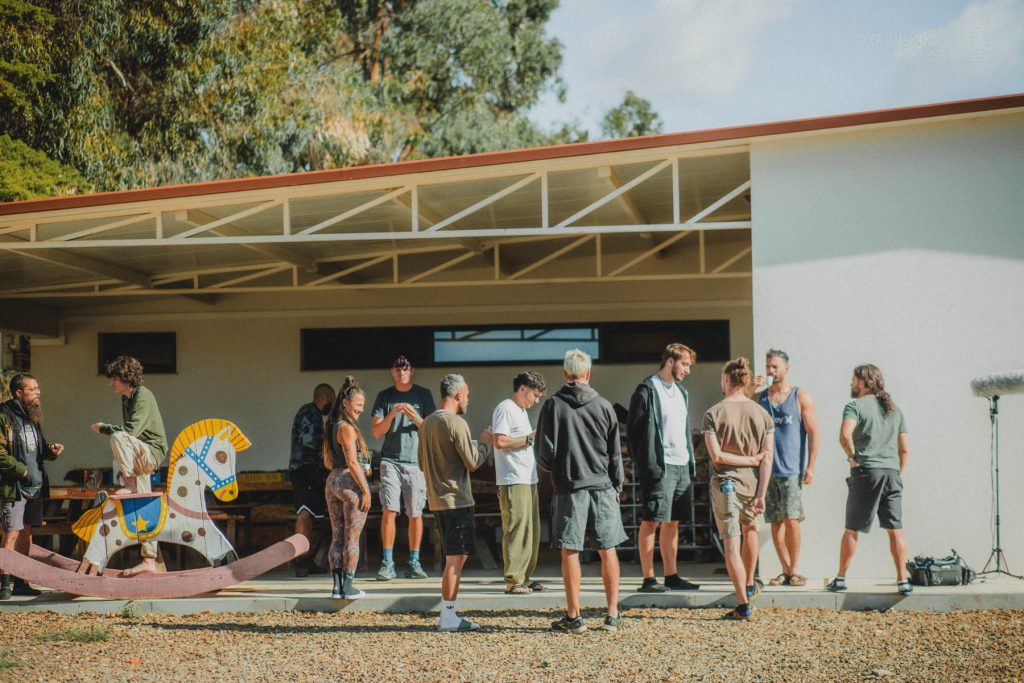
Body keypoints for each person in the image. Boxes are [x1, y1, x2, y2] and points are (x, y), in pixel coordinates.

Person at [536, 349, 627, 633]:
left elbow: (544, 451)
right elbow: (615, 453)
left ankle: (574, 617)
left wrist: (557, 468)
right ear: (588, 373)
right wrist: (618, 484)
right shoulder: (604, 406)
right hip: (602, 486)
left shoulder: (553, 405)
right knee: (607, 550)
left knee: (570, 551)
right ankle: (612, 615)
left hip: (570, 487)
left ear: (565, 374)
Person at [828, 364, 912, 596]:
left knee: (851, 530)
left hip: (867, 472)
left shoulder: (854, 406)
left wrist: (852, 458)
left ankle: (841, 579)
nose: (851, 383)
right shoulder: (895, 410)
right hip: (891, 473)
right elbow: (905, 449)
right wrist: (897, 472)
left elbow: (844, 436)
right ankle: (903, 580)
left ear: (863, 382)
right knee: (895, 530)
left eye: (853, 380)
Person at [417, 374, 491, 632]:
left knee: (453, 557)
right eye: (467, 394)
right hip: (457, 499)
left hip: (437, 500)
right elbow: (473, 461)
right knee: (455, 559)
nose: (468, 399)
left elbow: (421, 464)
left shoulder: (426, 423)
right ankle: (448, 616)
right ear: (458, 394)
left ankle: (448, 614)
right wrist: (485, 444)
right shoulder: (456, 422)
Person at [702, 357, 773, 620]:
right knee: (750, 529)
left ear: (726, 380)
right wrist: (761, 494)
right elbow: (767, 459)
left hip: (726, 485)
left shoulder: (713, 413)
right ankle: (749, 583)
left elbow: (717, 456)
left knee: (731, 544)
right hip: (752, 486)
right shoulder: (762, 414)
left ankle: (743, 604)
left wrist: (749, 461)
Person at [627, 343, 701, 593]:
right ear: (670, 362)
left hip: (681, 464)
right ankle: (648, 579)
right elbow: (634, 432)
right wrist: (646, 463)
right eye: (685, 364)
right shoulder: (647, 390)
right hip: (659, 466)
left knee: (673, 522)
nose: (687, 370)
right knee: (651, 520)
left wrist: (689, 461)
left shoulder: (681, 393)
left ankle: (671, 576)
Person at [90, 356, 168, 576]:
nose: (111, 383)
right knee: (144, 506)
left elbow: (130, 432)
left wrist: (105, 428)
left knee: (117, 437)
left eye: (114, 379)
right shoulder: (126, 399)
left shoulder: (142, 395)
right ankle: (149, 559)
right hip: (138, 455)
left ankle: (130, 484)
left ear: (126, 378)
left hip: (150, 453)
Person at [754, 349, 819, 588]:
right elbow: (741, 411)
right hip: (767, 471)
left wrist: (811, 466)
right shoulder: (760, 398)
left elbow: (813, 432)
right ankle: (786, 570)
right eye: (768, 366)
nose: (770, 371)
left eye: (775, 366)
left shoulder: (800, 396)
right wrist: (751, 389)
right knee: (776, 522)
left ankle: (795, 569)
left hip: (791, 470)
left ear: (786, 368)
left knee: (792, 520)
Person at [371, 356, 436, 581]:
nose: (401, 373)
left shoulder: (424, 395)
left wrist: (416, 418)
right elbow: (376, 432)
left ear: (412, 371)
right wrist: (392, 414)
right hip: (390, 460)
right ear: (392, 371)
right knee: (389, 509)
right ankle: (387, 563)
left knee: (415, 513)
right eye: (398, 369)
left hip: (416, 462)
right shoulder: (385, 396)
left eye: (405, 369)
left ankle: (414, 562)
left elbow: (432, 430)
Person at [0, 374, 64, 599]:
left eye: (38, 388)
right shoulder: (3, 416)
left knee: (26, 534)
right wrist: (23, 471)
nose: (38, 392)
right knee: (11, 533)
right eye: (33, 389)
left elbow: (37, 449)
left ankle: (21, 582)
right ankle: (4, 584)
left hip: (35, 487)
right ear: (19, 393)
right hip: (14, 486)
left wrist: (50, 450)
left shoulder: (32, 417)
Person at [492, 371, 547, 595]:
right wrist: (530, 438)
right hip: (512, 478)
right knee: (516, 528)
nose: (536, 400)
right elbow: (500, 441)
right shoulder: (505, 408)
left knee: (531, 530)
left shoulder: (521, 411)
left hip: (527, 477)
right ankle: (513, 579)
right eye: (535, 395)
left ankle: (525, 577)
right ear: (523, 388)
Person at [322, 377, 372, 600]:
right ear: (345, 403)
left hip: (332, 481)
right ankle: (349, 586)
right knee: (352, 536)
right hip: (349, 483)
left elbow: (327, 462)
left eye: (362, 405)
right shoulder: (348, 429)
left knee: (336, 536)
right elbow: (352, 463)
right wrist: (366, 489)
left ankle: (336, 587)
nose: (361, 409)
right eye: (358, 404)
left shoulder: (331, 426)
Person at [289, 382, 336, 577]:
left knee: (312, 515)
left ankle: (307, 559)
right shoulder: (309, 414)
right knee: (304, 514)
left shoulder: (312, 414)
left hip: (311, 471)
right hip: (305, 470)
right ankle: (300, 560)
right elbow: (309, 442)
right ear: (326, 397)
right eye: (332, 401)